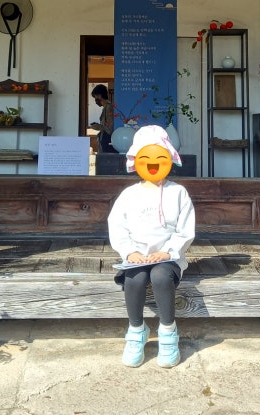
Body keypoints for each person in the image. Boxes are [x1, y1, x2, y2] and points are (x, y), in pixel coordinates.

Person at [107, 124, 195, 368]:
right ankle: (137, 330)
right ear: (136, 161)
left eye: (160, 159)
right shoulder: (129, 195)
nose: (153, 165)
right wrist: (129, 251)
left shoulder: (179, 193)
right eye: (146, 159)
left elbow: (185, 230)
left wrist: (168, 251)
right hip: (136, 256)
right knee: (134, 279)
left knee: (160, 276)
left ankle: (168, 331)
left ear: (169, 160)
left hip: (168, 257)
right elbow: (117, 225)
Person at [90, 84, 117, 153]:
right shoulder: (106, 107)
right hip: (105, 141)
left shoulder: (109, 107)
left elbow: (110, 128)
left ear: (100, 95)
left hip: (108, 142)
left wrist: (98, 127)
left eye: (95, 96)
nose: (95, 99)